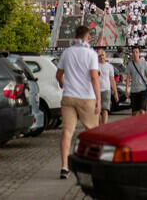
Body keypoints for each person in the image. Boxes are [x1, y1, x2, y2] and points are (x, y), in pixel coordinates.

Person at [56, 25, 100, 179]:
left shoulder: (67, 52)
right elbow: (94, 77)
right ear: (87, 37)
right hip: (86, 97)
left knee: (67, 132)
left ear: (75, 36)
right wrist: (98, 99)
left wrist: (62, 83)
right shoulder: (91, 54)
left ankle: (64, 167)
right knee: (92, 132)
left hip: (68, 96)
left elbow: (58, 74)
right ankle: (91, 164)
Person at [125, 46, 147, 116]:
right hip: (134, 90)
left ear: (139, 53)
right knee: (134, 113)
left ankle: (143, 126)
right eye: (133, 52)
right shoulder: (130, 64)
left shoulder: (144, 63)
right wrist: (126, 89)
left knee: (142, 111)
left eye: (136, 52)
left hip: (143, 90)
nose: (135, 54)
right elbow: (128, 78)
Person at [97, 49, 118, 124]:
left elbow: (112, 80)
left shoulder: (109, 66)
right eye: (99, 55)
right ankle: (99, 126)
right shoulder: (94, 66)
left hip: (106, 90)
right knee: (97, 111)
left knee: (105, 110)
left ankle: (104, 127)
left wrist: (115, 92)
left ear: (105, 56)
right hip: (97, 90)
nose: (101, 57)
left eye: (103, 55)